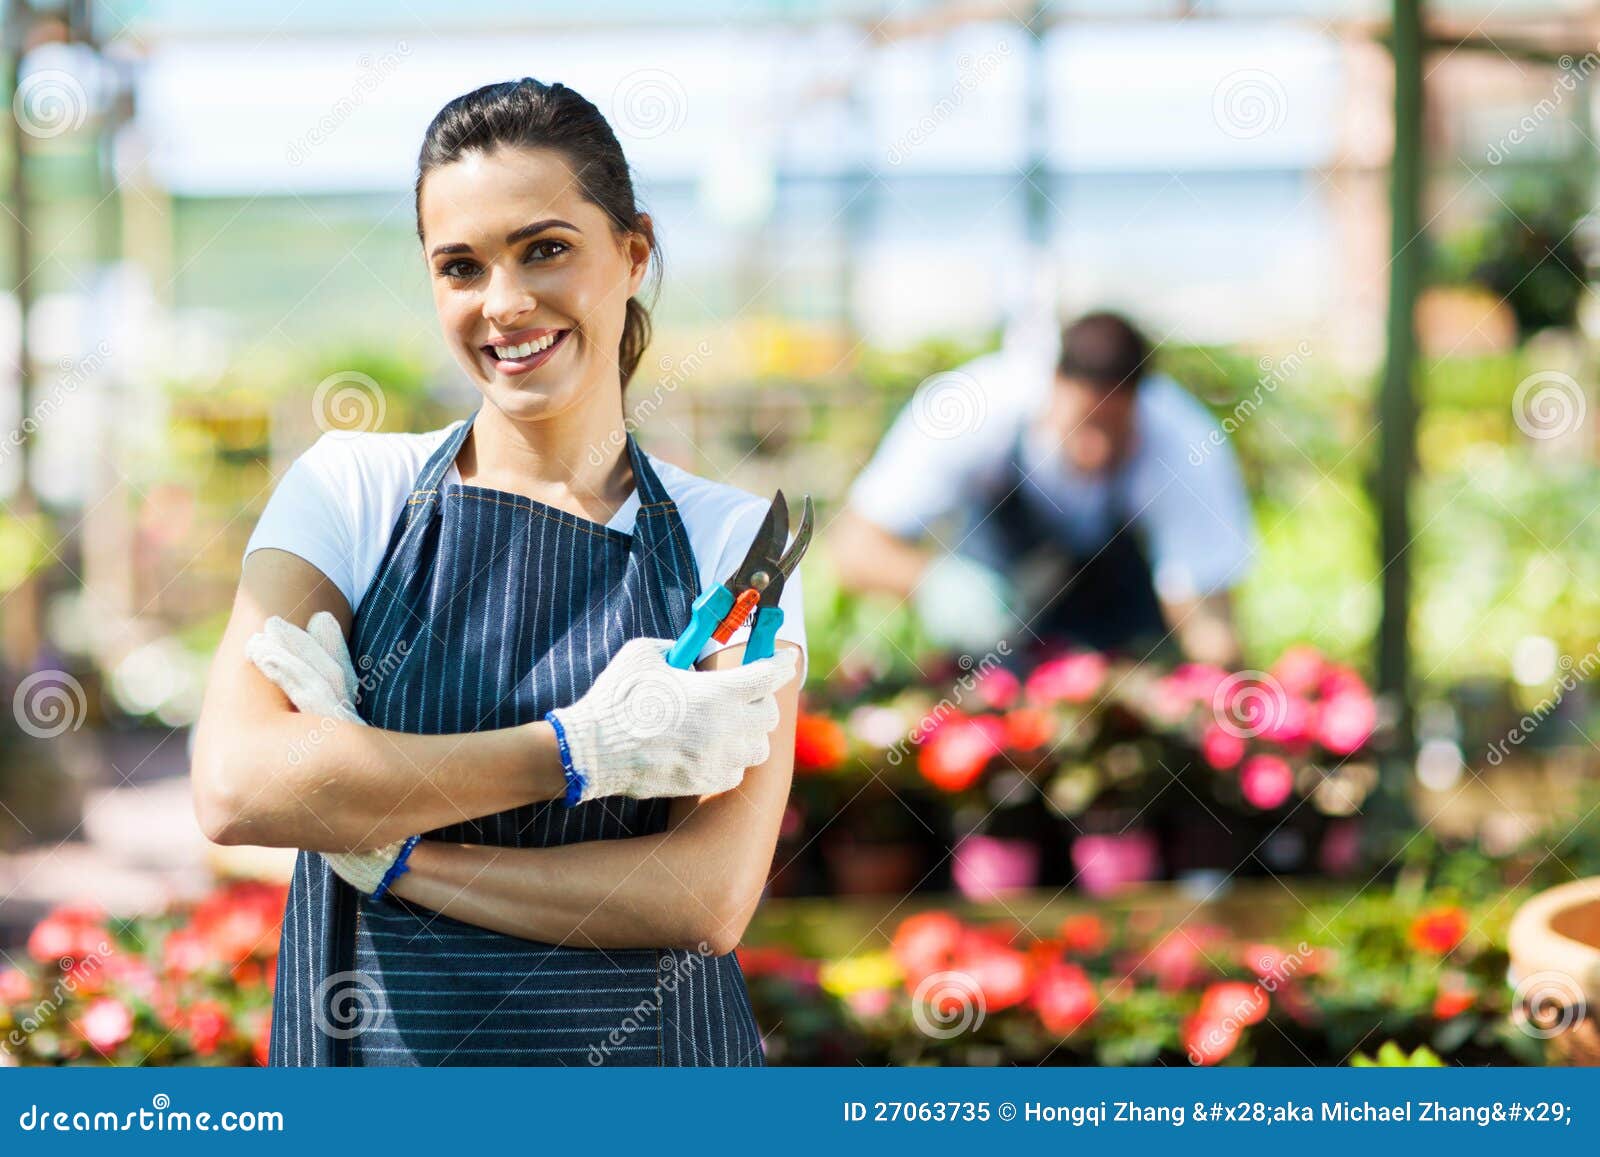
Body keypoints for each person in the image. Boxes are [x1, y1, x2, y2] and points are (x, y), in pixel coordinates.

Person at [190, 78, 806, 1067]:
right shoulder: (352, 491)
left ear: (633, 251)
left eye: (545, 248)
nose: (504, 302)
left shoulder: (727, 542)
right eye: (462, 266)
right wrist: (579, 749)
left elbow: (701, 894)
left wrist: (390, 844)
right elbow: (239, 783)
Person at [831, 312, 1253, 665]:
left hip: (1118, 660)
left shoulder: (1185, 443)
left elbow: (1208, 617)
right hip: (992, 656)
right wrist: (935, 582)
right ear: (1054, 384)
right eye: (1084, 425)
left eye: (1114, 428)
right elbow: (854, 548)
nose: (1096, 448)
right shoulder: (973, 409)